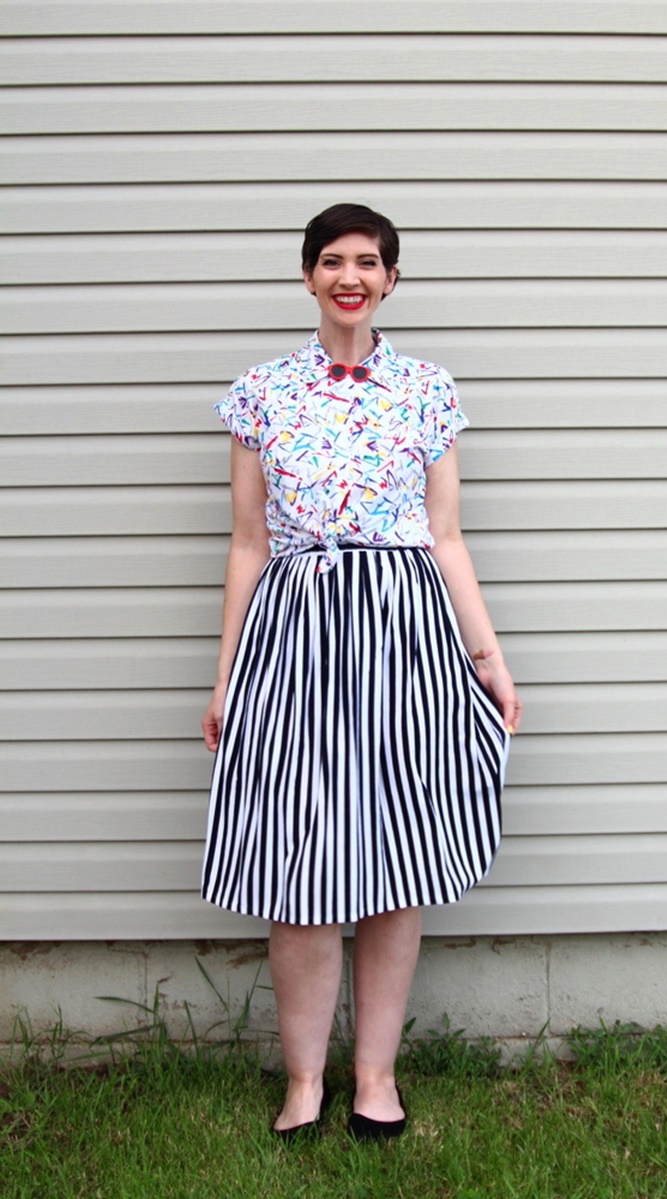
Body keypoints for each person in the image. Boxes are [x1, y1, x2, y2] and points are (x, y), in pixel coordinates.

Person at [201, 203, 521, 1142]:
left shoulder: (427, 388)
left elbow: (447, 537)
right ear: (308, 276)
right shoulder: (262, 391)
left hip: (403, 630)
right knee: (296, 858)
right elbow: (247, 544)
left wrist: (490, 659)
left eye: (369, 262)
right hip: (295, 632)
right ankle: (305, 1079)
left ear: (390, 280)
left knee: (394, 854)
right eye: (333, 261)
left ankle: (375, 1075)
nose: (351, 275)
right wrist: (223, 678)